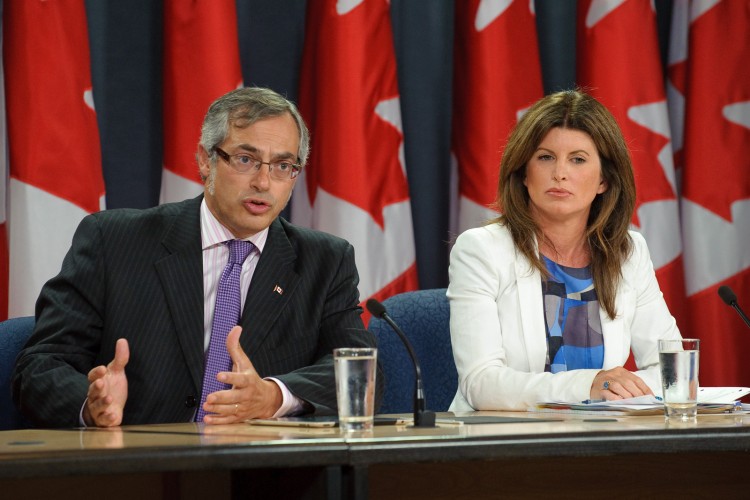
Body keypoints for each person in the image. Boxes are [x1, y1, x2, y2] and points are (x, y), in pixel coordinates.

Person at [12, 86, 382, 427]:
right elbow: (41, 365)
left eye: (283, 166)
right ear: (206, 160)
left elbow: (361, 375)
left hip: (261, 475)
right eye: (245, 160)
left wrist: (273, 396)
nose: (264, 183)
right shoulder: (114, 241)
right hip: (139, 465)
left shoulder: (325, 261)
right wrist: (90, 404)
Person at [447, 89, 682, 412]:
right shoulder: (481, 250)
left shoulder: (628, 252)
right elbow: (481, 384)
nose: (560, 173)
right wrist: (590, 385)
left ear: (604, 181)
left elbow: (676, 373)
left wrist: (616, 388)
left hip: (602, 443)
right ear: (524, 173)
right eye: (545, 157)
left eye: (578, 159)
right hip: (503, 444)